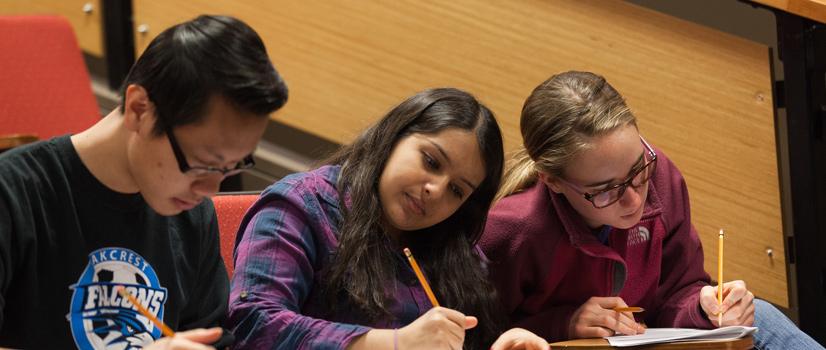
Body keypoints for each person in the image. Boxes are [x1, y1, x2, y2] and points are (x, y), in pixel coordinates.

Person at [0, 15, 288, 349]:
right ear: (139, 109)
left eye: (231, 167)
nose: (210, 190)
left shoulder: (193, 215)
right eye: (201, 165)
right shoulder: (13, 193)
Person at [480, 71, 824, 349]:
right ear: (552, 181)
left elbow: (677, 293)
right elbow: (474, 336)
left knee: (758, 315)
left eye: (638, 169)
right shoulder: (512, 230)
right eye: (605, 191)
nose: (635, 200)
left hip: (651, 339)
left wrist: (704, 307)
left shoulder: (660, 175)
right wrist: (564, 324)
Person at [227, 88, 548, 350]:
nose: (435, 190)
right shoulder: (303, 205)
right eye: (431, 161)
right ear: (393, 137)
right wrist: (394, 343)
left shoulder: (455, 250)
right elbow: (252, 322)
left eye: (456, 190)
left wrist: (502, 344)